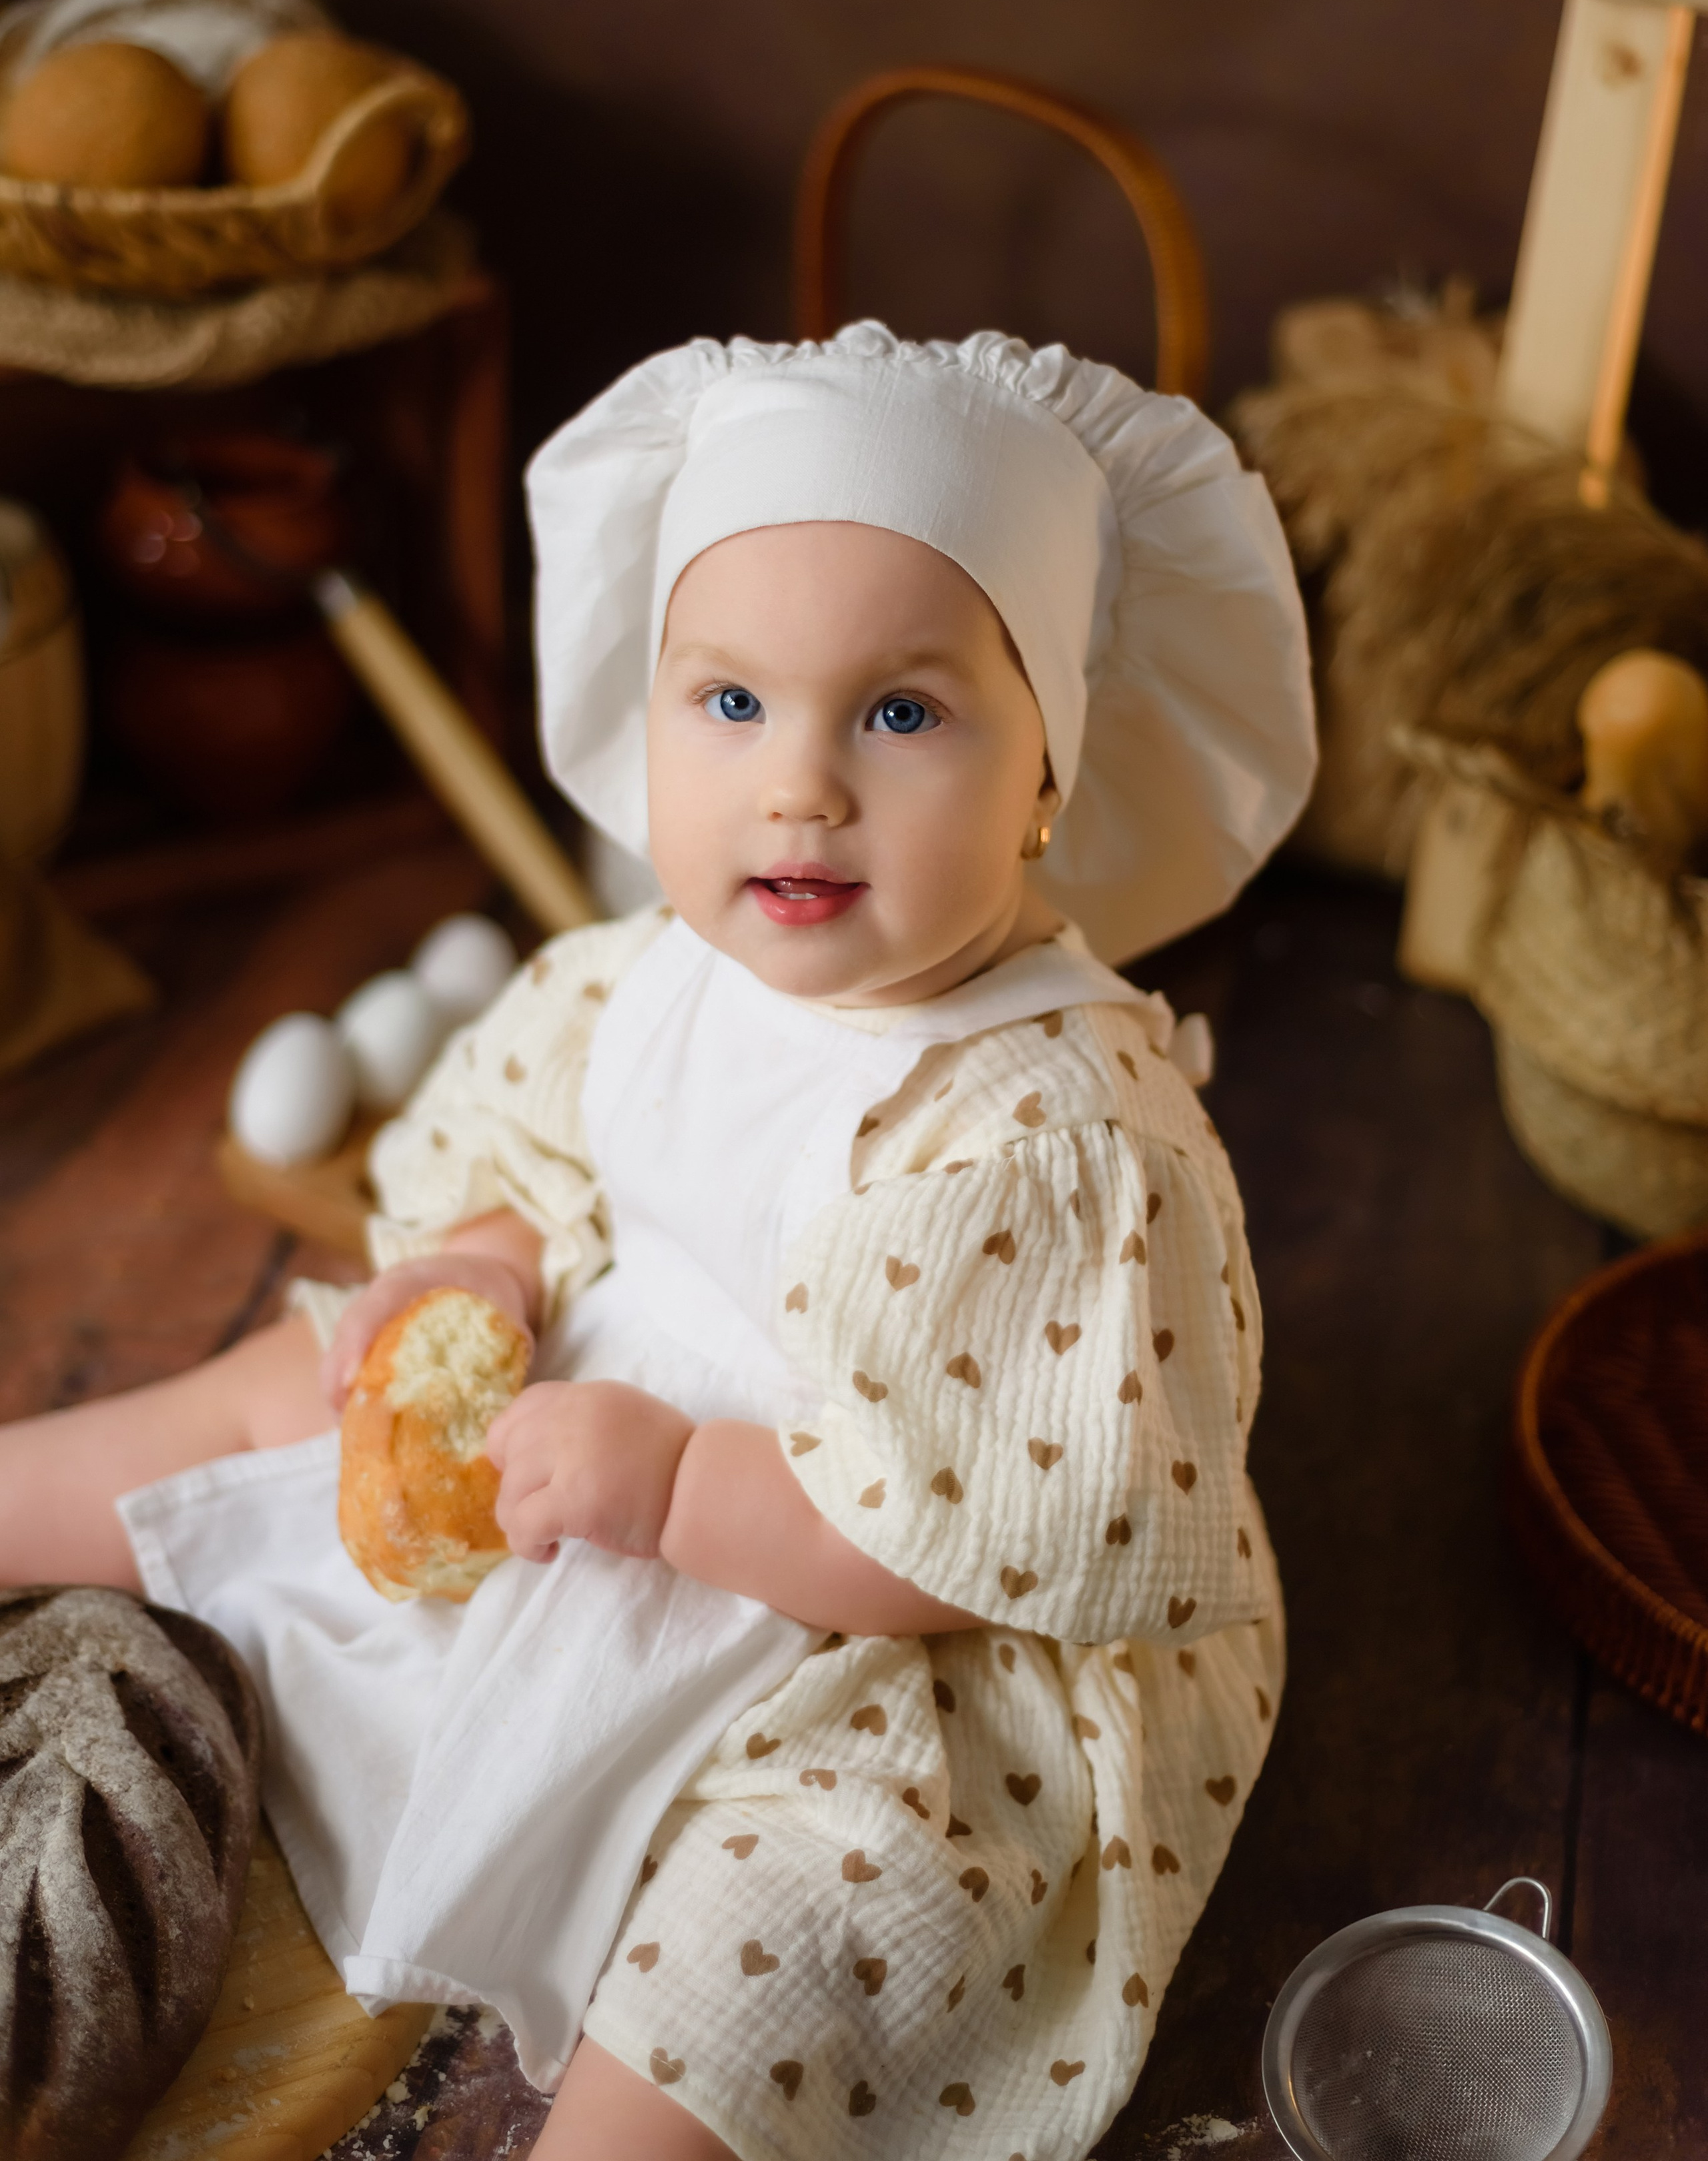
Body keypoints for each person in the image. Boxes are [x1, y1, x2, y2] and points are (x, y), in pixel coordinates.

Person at [0, 323, 1314, 2160]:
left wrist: (687, 1489)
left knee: (797, 1923)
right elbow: (539, 1144)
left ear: (1047, 773)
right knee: (286, 1382)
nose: (802, 784)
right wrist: (478, 1266)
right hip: (598, 1414)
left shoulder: (1058, 1131)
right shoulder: (662, 969)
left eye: (903, 711)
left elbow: (981, 1531)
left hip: (866, 1606)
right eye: (732, 701)